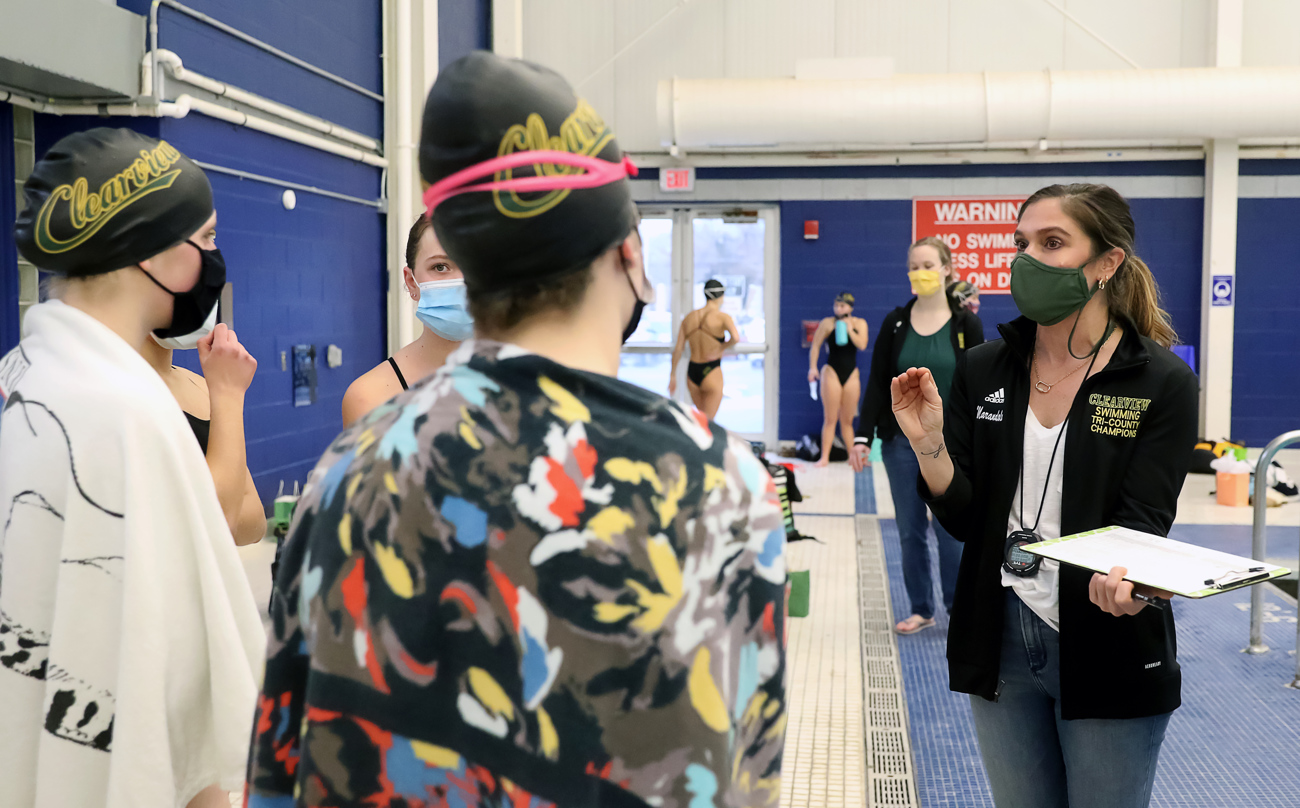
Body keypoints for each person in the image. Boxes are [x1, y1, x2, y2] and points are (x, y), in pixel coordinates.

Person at [246, 52, 787, 808]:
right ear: (630, 253)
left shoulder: (348, 471)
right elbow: (747, 771)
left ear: (469, 271)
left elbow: (280, 761)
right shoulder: (719, 485)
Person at [895, 183, 1196, 807]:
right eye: (1021, 243)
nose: (1027, 258)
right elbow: (963, 520)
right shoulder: (984, 368)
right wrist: (930, 445)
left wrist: (1133, 582)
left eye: (1053, 243)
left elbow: (1141, 522)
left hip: (1105, 640)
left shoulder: (1159, 381)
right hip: (998, 635)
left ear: (1107, 262)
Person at [0, 128, 265, 808]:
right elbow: (160, 674)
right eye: (203, 239)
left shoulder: (37, 380)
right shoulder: (119, 412)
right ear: (150, 249)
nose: (213, 260)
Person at [850, 236, 984, 634]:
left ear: (946, 268)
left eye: (927, 265)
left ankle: (957, 611)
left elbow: (979, 385)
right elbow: (877, 383)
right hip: (899, 445)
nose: (919, 273)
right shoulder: (894, 323)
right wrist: (862, 437)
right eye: (913, 266)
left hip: (951, 447)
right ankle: (922, 609)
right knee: (909, 531)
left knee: (951, 534)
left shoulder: (966, 324)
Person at [141, 299, 264, 546]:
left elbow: (255, 522)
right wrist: (229, 394)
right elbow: (215, 522)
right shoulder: (122, 394)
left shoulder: (203, 385)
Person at [342, 213, 472, 427]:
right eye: (440, 267)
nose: (461, 282)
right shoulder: (370, 399)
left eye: (473, 265)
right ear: (411, 282)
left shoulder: (534, 380)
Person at [807, 291, 868, 467]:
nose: (838, 308)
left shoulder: (859, 323)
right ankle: (824, 457)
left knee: (847, 420)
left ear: (850, 307)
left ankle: (852, 456)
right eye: (836, 305)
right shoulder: (827, 323)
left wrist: (849, 329)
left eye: (842, 305)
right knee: (830, 418)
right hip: (831, 372)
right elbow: (815, 346)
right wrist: (812, 368)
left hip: (851, 374)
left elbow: (862, 345)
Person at [669, 277, 739, 419]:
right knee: (708, 424)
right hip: (711, 371)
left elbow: (678, 349)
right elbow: (735, 338)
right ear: (720, 296)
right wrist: (721, 347)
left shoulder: (689, 318)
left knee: (701, 419)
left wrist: (673, 375)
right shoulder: (723, 317)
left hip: (692, 373)